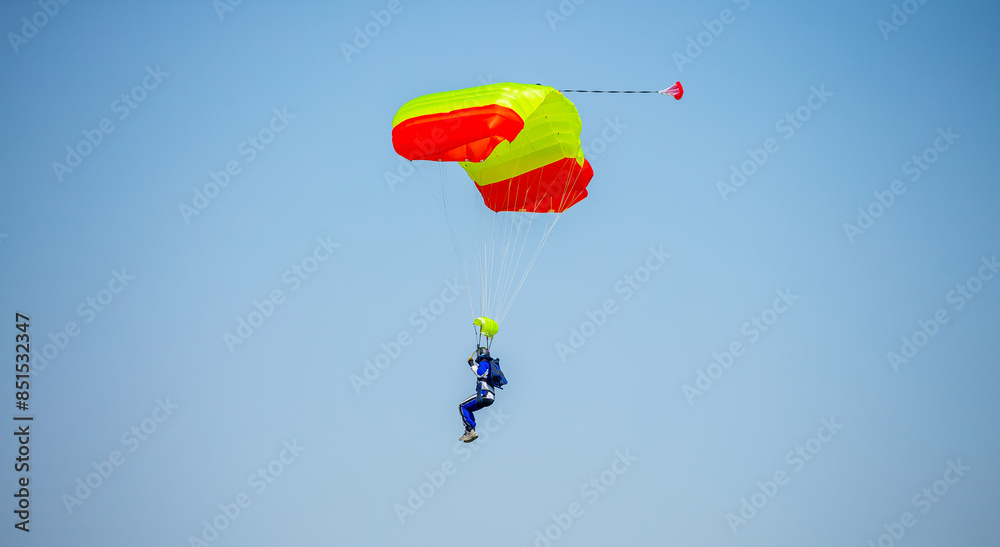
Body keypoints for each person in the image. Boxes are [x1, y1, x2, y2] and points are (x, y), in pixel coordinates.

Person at [459, 346, 496, 443]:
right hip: (490, 397)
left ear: (480, 354)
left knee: (462, 406)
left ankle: (469, 429)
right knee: (468, 408)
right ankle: (472, 430)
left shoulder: (484, 363)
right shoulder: (490, 365)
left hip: (484, 395)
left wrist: (472, 365)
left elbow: (479, 373)